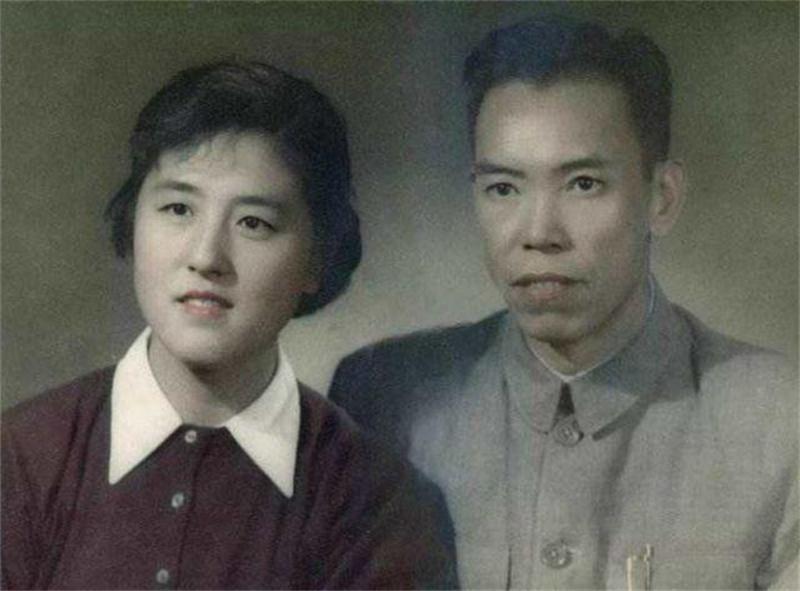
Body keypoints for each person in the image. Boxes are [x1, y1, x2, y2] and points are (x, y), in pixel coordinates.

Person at [329, 17, 798, 589]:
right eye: (504, 188)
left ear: (662, 198)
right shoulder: (380, 400)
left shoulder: (778, 421)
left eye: (583, 184)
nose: (539, 233)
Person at [1, 60, 457, 590]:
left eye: (253, 223)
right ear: (133, 220)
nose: (206, 257)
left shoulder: (380, 505)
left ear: (317, 258)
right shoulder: (20, 458)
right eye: (178, 209)